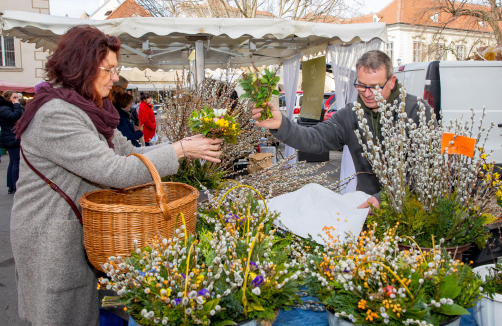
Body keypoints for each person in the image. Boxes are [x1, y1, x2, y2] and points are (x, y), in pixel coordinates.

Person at [10, 25, 222, 326]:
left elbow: (130, 154)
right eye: (108, 70)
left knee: (81, 309)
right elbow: (115, 171)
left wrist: (185, 145)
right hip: (50, 237)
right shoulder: (56, 114)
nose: (115, 78)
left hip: (75, 231)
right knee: (61, 314)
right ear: (81, 67)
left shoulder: (89, 110)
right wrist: (178, 150)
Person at [252, 50, 433, 213]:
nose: (367, 94)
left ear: (392, 82)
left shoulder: (417, 111)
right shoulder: (351, 114)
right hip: (367, 209)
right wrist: (281, 125)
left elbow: (426, 170)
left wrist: (382, 199)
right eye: (361, 85)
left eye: (375, 87)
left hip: (413, 212)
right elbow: (314, 138)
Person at [0, 90, 23, 193]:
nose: (16, 99)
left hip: (11, 137)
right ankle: (15, 185)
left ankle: (11, 185)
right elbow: (14, 117)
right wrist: (17, 105)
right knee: (16, 162)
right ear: (8, 97)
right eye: (14, 97)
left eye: (17, 97)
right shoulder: (4, 108)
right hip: (11, 137)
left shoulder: (5, 107)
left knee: (13, 162)